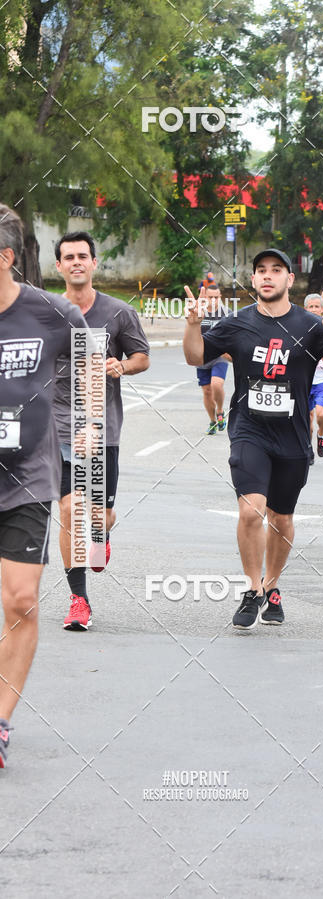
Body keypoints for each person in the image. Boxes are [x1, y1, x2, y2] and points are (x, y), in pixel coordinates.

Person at [183, 249, 323, 630]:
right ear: (253, 280)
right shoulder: (237, 324)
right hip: (249, 429)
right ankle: (251, 588)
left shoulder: (311, 326)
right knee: (251, 510)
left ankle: (272, 585)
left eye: (276, 270)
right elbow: (196, 356)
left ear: (289, 280)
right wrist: (193, 325)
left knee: (281, 518)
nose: (268, 276)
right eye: (261, 270)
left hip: (293, 437)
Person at [0, 205, 87, 767]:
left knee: (22, 599)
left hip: (27, 473)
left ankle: (1, 719)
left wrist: (85, 423)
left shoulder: (52, 315)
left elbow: (89, 365)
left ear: (5, 257)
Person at [53, 231, 150, 631]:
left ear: (94, 263)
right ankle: (79, 600)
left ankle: (101, 534)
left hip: (101, 428)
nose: (76, 262)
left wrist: (121, 366)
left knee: (100, 514)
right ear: (58, 266)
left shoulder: (118, 312)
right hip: (55, 425)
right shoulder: (44, 311)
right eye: (68, 257)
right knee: (67, 509)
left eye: (83, 256)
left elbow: (141, 356)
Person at [196, 283, 229, 434]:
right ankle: (213, 421)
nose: (214, 300)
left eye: (216, 297)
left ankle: (220, 410)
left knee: (216, 385)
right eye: (211, 297)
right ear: (205, 297)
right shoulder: (198, 312)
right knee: (207, 391)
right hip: (202, 357)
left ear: (220, 297)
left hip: (220, 356)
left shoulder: (226, 313)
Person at [305, 293, 323, 459]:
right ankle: (308, 448)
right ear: (306, 309)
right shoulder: (300, 328)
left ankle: (321, 435)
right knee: (307, 420)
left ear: (322, 309)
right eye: (311, 307)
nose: (314, 310)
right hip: (306, 380)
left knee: (321, 414)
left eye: (317, 307)